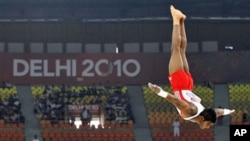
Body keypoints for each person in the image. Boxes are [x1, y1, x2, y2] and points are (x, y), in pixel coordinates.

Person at [148, 5, 235, 129]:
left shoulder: (205, 113)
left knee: (182, 50)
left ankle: (182, 20)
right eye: (209, 123)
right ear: (202, 118)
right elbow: (176, 101)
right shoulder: (191, 111)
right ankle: (176, 20)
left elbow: (217, 111)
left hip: (188, 85)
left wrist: (228, 111)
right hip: (179, 84)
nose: (208, 126)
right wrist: (160, 92)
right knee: (176, 49)